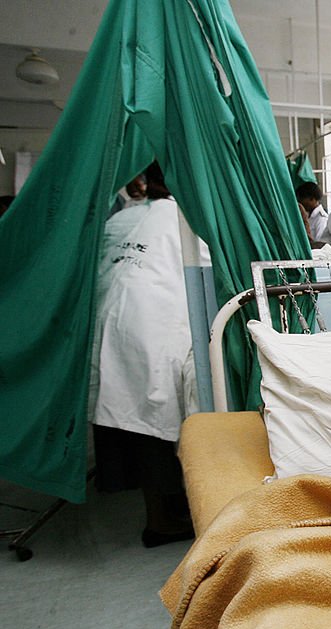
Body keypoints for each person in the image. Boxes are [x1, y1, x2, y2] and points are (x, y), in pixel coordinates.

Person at [89, 162, 199, 548]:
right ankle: (161, 523)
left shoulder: (124, 219)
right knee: (156, 423)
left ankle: (163, 509)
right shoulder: (188, 220)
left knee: (132, 418)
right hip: (150, 328)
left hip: (110, 323)